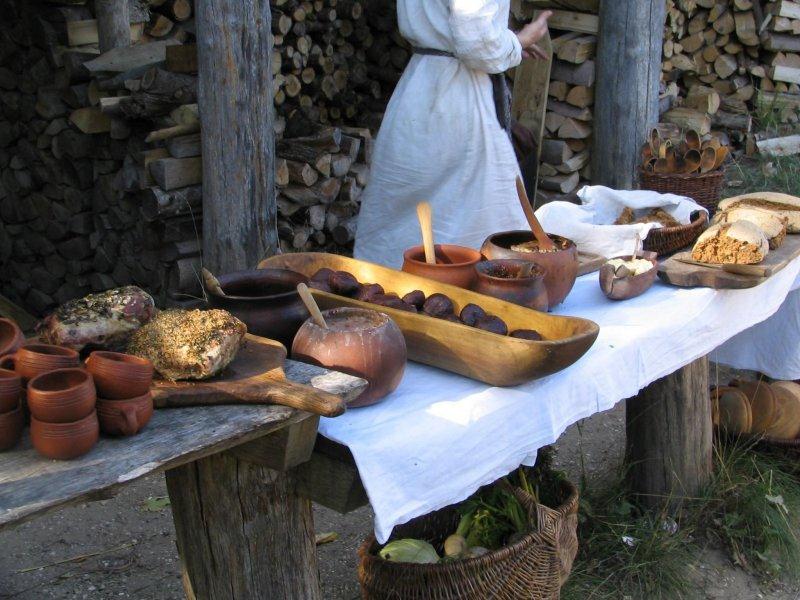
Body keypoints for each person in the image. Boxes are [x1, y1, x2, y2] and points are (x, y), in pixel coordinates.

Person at [354, 1, 552, 268]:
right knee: (473, 226)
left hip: (422, 86)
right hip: (457, 100)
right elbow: (476, 41)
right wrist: (519, 40)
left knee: (408, 225)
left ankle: (392, 300)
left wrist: (508, 41)